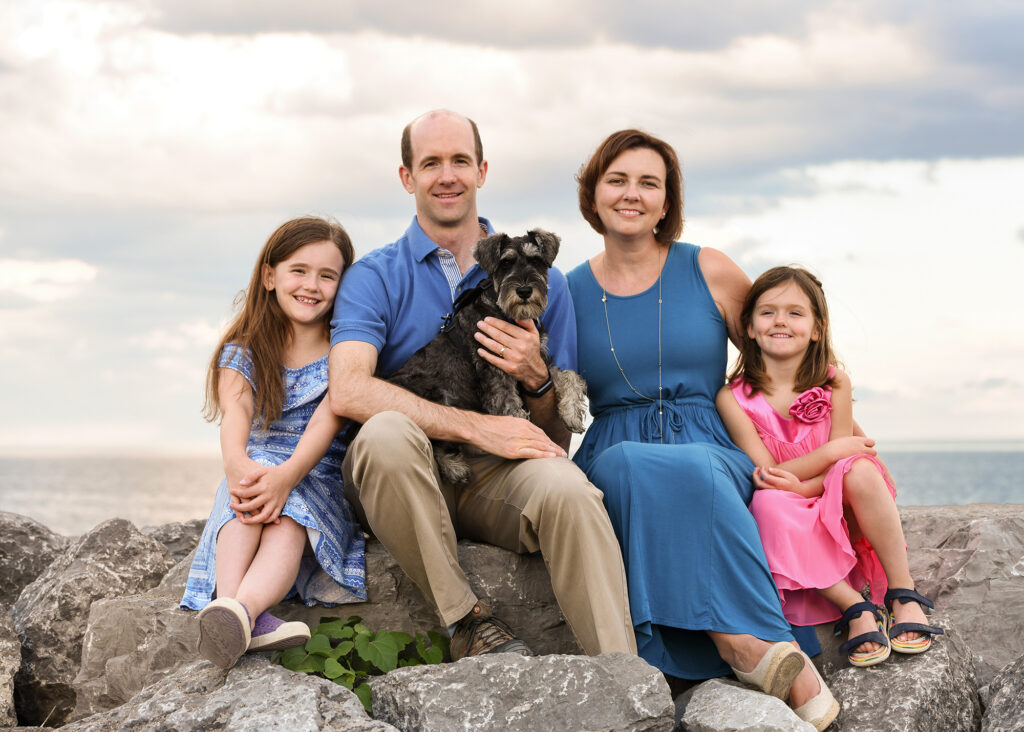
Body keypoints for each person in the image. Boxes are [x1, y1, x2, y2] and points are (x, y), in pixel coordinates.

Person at [328, 109, 635, 660]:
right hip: (403, 474)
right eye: (431, 163)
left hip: (493, 480)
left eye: (460, 161)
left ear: (482, 170)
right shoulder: (374, 276)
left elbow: (553, 440)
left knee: (571, 492)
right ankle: (468, 621)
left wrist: (536, 379)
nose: (447, 175)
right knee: (385, 434)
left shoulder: (546, 282)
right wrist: (476, 426)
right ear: (407, 177)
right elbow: (349, 390)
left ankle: (625, 682)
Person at [566, 129, 837, 730]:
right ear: (594, 194)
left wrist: (835, 450)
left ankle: (745, 644)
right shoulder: (566, 290)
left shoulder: (708, 267)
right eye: (617, 180)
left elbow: (780, 363)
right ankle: (747, 644)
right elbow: (550, 405)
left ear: (668, 202)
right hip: (614, 446)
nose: (631, 194)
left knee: (697, 470)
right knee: (635, 466)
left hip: (710, 440)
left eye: (648, 183)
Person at [716, 266, 943, 668]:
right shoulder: (733, 398)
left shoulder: (835, 382)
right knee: (766, 505)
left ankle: (902, 592)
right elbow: (769, 474)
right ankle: (856, 608)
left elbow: (845, 460)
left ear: (817, 329)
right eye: (767, 312)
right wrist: (829, 453)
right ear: (749, 327)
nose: (780, 321)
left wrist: (814, 477)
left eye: (795, 313)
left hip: (837, 496)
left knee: (858, 468)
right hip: (786, 503)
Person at [182, 216, 367, 670]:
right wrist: (236, 465)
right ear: (270, 276)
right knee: (245, 491)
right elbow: (237, 411)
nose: (312, 285)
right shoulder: (245, 347)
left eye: (328, 275)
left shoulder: (344, 350)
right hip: (256, 464)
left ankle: (236, 614)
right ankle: (236, 611)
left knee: (287, 519)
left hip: (313, 472)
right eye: (298, 271)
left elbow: (326, 423)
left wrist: (286, 477)